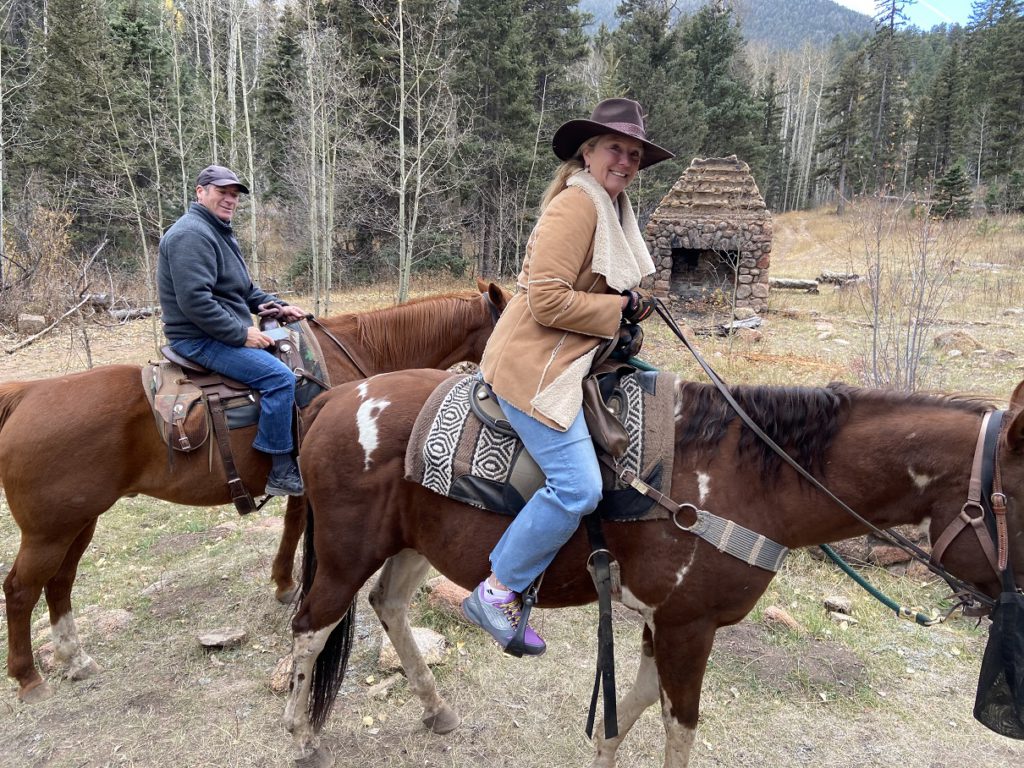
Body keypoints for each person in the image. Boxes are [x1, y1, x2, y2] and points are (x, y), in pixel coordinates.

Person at [461, 99, 674, 655]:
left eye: (633, 154)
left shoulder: (612, 206)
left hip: (572, 353)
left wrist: (626, 306)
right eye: (615, 149)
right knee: (579, 486)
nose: (625, 161)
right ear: (588, 151)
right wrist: (616, 310)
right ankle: (497, 588)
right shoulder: (579, 206)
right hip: (533, 363)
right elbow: (548, 299)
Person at [157, 165, 308, 497]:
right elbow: (195, 301)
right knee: (278, 378)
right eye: (222, 191)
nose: (230, 200)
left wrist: (278, 305)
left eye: (234, 194)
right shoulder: (190, 235)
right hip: (198, 338)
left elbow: (243, 290)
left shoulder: (217, 230)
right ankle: (280, 469)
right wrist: (241, 335)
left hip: (217, 331)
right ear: (200, 191)